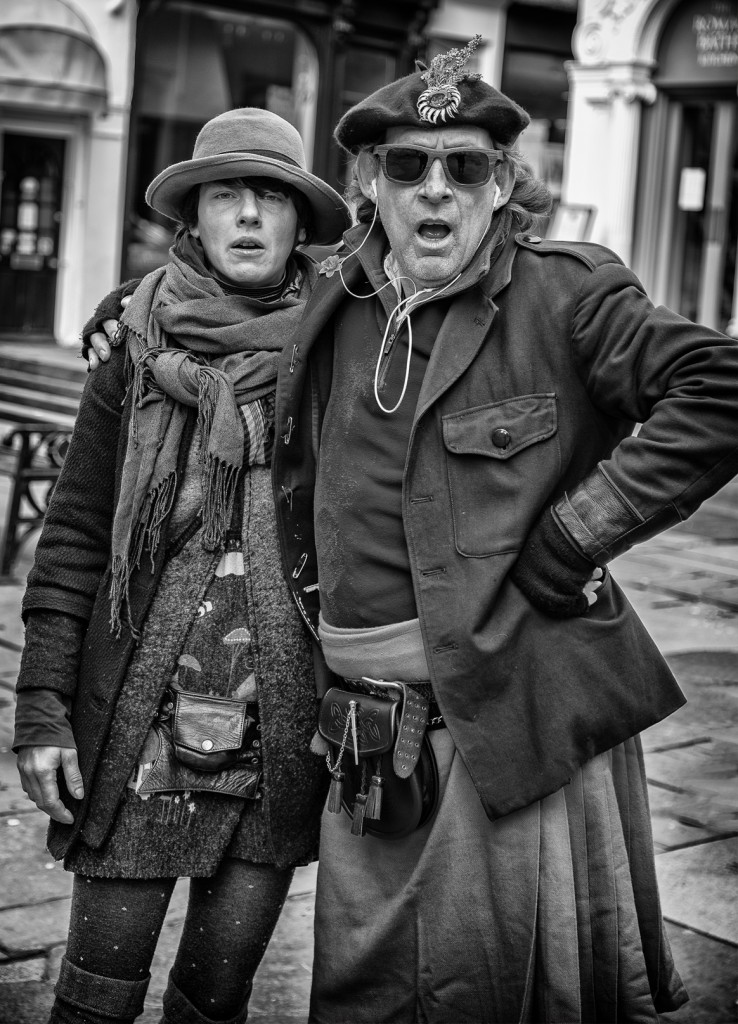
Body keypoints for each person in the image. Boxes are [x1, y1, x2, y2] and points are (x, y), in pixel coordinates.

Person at [84, 41, 738, 1023]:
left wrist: (577, 535)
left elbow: (719, 388)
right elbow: (225, 303)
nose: (436, 191)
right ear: (367, 188)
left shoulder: (568, 294)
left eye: (465, 167)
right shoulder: (331, 306)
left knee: (500, 996)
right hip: (362, 747)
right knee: (365, 995)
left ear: (504, 185)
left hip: (507, 724)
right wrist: (133, 317)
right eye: (408, 168)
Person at [14, 106, 350, 1024]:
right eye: (225, 195)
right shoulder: (132, 346)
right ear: (191, 219)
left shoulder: (341, 346)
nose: (248, 216)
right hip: (136, 732)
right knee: (94, 1000)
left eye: (271, 197)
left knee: (215, 998)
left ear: (300, 224)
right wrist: (42, 704)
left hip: (280, 738)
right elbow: (77, 534)